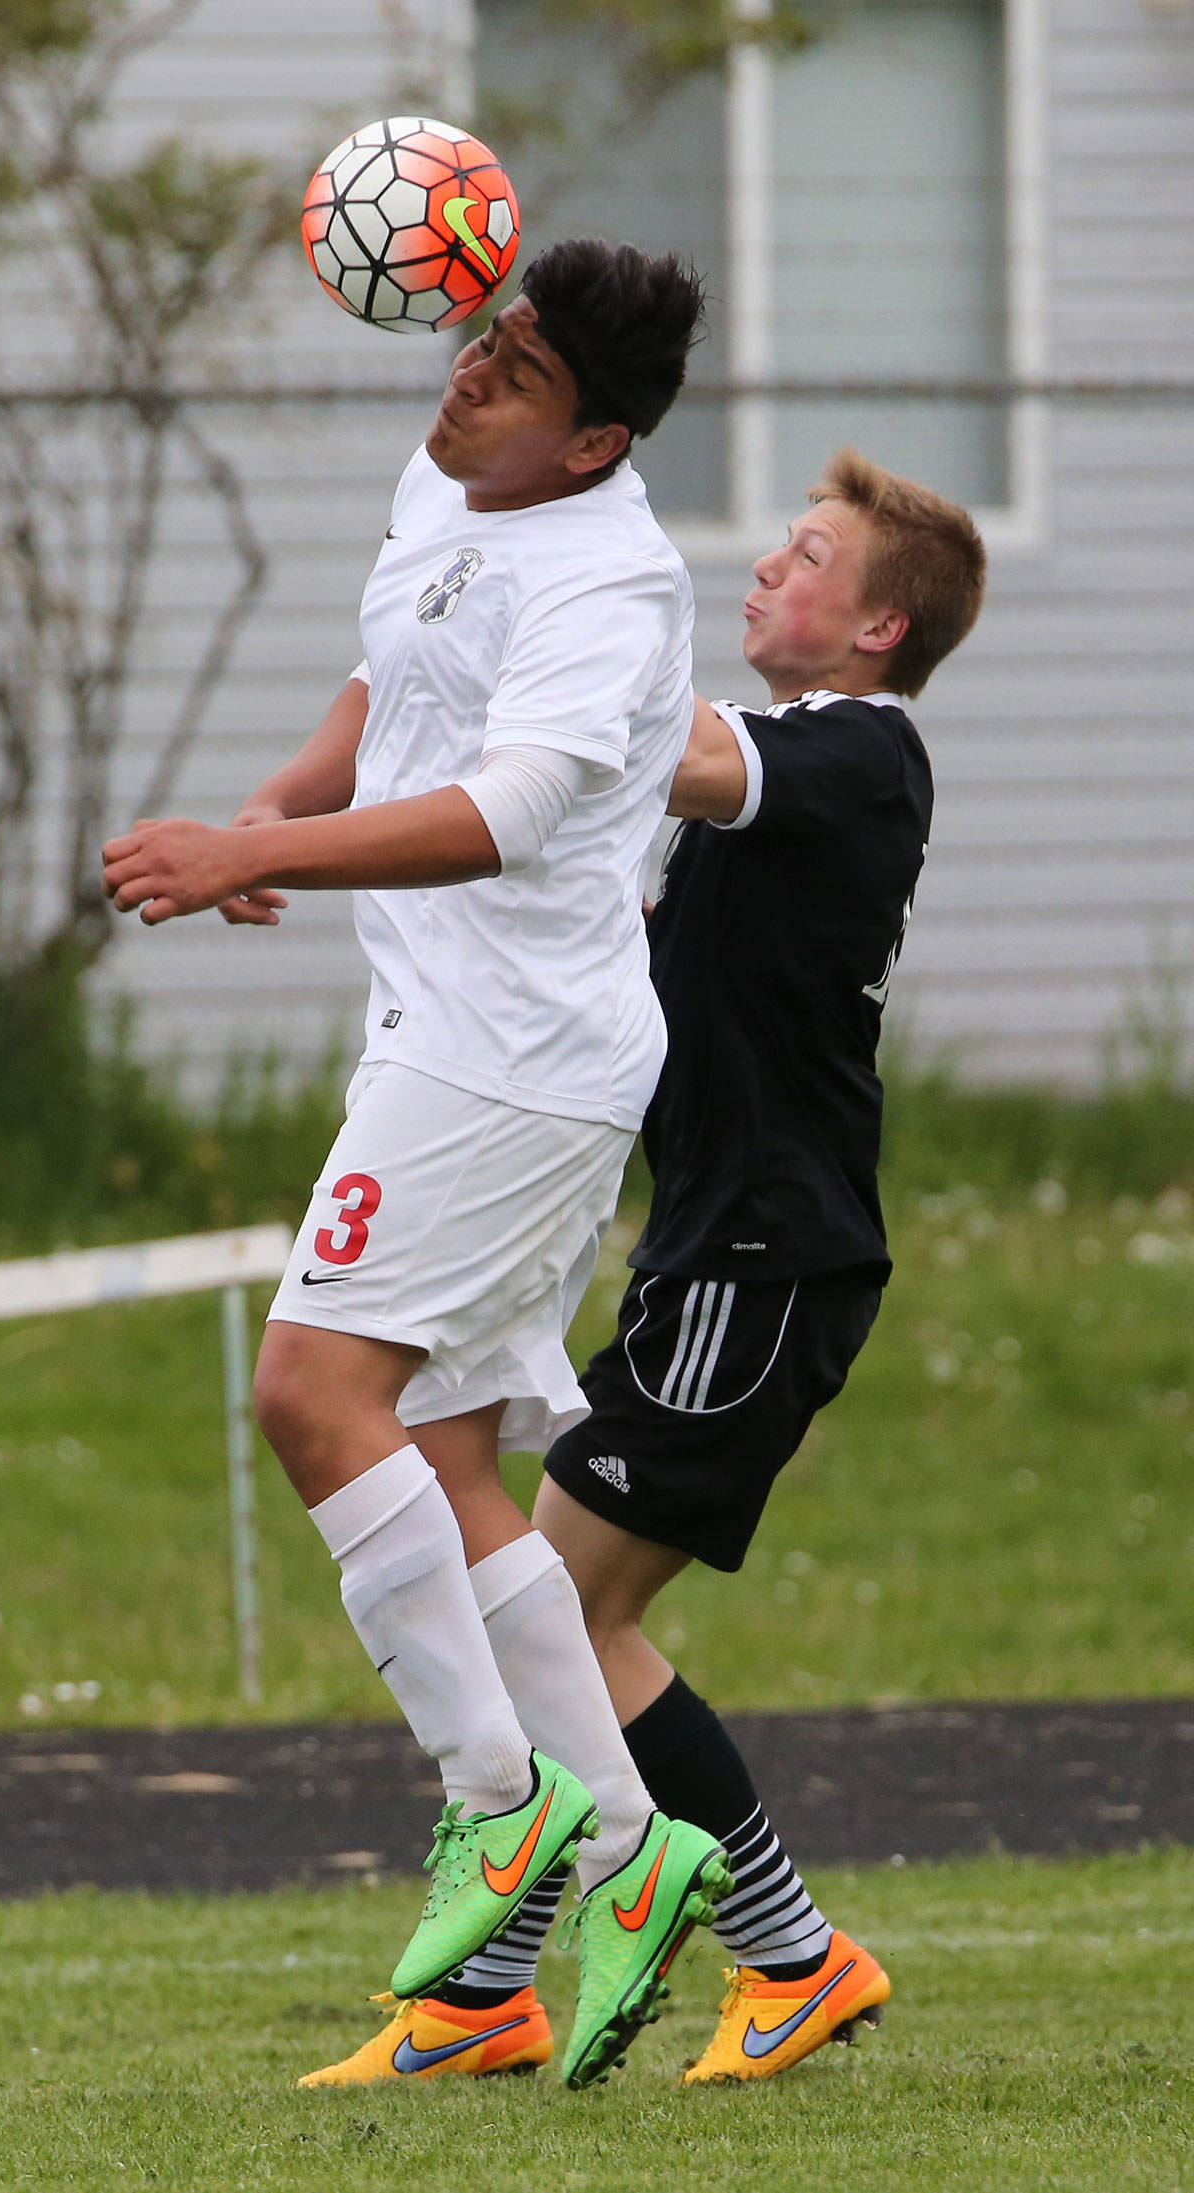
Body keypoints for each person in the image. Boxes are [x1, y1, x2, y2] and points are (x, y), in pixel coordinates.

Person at [101, 239, 731, 2093]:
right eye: (480, 337)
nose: (466, 377)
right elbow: (399, 680)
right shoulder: (462, 484)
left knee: (310, 1393)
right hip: (466, 1044)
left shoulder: (612, 583)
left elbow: (506, 811)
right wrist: (278, 808)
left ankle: (497, 1799)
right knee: (444, 1461)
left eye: (513, 372)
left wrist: (231, 868)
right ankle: (626, 1850)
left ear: (596, 437)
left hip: (510, 1056)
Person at [379, 446, 986, 2086]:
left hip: (768, 1256)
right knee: (541, 1609)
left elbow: (662, 745)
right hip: (707, 1246)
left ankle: (784, 1956)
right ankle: (499, 1997)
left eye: (805, 555)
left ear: (874, 627)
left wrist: (560, 599)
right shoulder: (780, 752)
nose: (768, 570)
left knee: (559, 1606)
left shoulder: (859, 752)